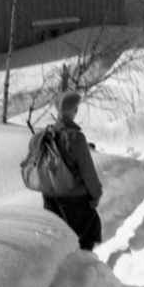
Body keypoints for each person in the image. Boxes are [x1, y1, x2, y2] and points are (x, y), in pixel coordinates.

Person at [44, 90, 103, 251]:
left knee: (58, 242)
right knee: (87, 236)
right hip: (74, 199)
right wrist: (96, 195)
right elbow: (87, 170)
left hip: (50, 199)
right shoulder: (75, 137)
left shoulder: (45, 134)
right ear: (75, 110)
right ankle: (81, 273)